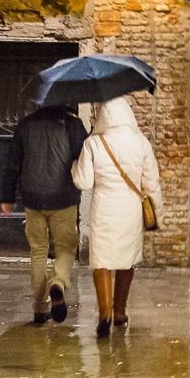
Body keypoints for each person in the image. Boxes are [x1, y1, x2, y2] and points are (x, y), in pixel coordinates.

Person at [71, 96, 163, 338]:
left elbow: (83, 181)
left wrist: (74, 166)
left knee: (101, 261)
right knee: (126, 260)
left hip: (104, 210)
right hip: (130, 211)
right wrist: (158, 215)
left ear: (104, 116)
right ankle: (120, 312)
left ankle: (105, 315)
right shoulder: (141, 143)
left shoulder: (93, 143)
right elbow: (151, 183)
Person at [0, 104, 88, 324]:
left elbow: (12, 164)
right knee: (66, 247)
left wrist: (7, 197)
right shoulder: (73, 124)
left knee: (38, 251)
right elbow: (85, 159)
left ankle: (40, 308)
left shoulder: (25, 125)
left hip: (33, 199)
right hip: (64, 198)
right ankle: (58, 283)